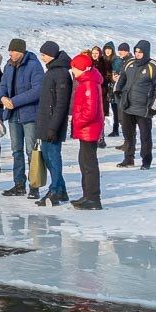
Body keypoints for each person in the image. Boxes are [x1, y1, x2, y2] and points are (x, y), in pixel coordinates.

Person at [0, 39, 44, 198]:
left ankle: (34, 186)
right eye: (10, 51)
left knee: (31, 151)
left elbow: (38, 90)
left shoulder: (34, 65)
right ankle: (19, 184)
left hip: (29, 114)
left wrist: (14, 101)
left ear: (21, 51)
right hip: (13, 115)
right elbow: (2, 86)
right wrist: (2, 97)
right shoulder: (8, 65)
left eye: (14, 51)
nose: (10, 53)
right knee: (16, 150)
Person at [114, 40, 156, 169]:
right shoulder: (129, 63)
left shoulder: (154, 66)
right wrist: (117, 91)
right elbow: (121, 78)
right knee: (128, 135)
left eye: (140, 52)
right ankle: (128, 158)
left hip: (144, 108)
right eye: (136, 51)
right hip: (128, 106)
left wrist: (153, 107)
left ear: (146, 52)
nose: (137, 54)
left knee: (145, 137)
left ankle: (146, 160)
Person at [35, 41, 72, 206]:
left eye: (44, 54)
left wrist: (53, 127)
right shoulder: (50, 71)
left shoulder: (61, 73)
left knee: (53, 157)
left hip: (53, 125)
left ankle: (55, 190)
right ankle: (61, 189)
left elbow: (61, 103)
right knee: (47, 158)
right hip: (45, 122)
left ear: (51, 54)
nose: (42, 57)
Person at [68, 52, 104, 210]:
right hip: (86, 129)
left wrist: (78, 122)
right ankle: (87, 195)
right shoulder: (85, 81)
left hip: (89, 129)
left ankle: (93, 198)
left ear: (81, 68)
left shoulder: (89, 83)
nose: (72, 71)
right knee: (84, 161)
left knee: (88, 163)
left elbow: (90, 111)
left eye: (74, 68)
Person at [110, 42, 130, 137]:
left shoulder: (131, 61)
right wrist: (114, 77)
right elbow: (114, 71)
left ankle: (129, 139)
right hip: (117, 89)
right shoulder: (117, 60)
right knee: (117, 113)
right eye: (120, 50)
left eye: (123, 50)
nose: (121, 52)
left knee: (125, 116)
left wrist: (122, 79)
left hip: (126, 92)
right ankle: (118, 131)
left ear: (128, 51)